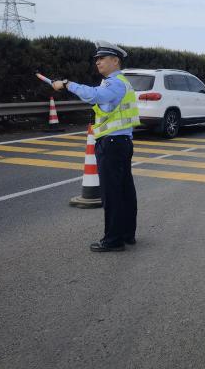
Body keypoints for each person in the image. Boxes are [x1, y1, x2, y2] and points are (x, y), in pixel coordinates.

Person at [52, 41, 141, 252]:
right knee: (124, 191)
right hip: (119, 142)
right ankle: (126, 234)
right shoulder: (116, 83)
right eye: (97, 59)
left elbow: (95, 96)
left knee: (112, 193)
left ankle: (113, 240)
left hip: (112, 144)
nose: (98, 62)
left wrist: (67, 84)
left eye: (102, 58)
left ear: (115, 61)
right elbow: (100, 102)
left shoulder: (115, 83)